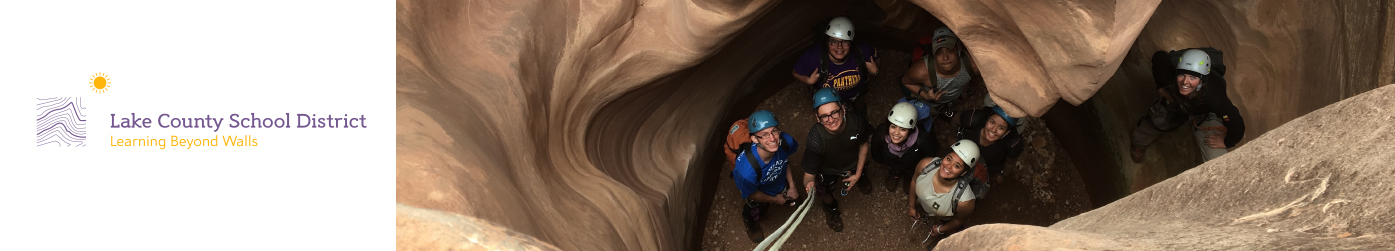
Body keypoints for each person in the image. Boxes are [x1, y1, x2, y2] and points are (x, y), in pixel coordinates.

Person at [1130, 48, 1246, 163]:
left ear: (1202, 80)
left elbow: (1235, 122)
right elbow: (1159, 57)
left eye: (1193, 77)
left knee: (1217, 160)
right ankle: (1139, 143)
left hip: (1204, 113)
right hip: (1177, 105)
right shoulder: (1168, 77)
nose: (1185, 82)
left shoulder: (1214, 96)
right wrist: (1162, 88)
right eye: (1182, 75)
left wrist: (1227, 142)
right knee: (1157, 120)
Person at [801, 88, 872, 232]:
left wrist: (857, 173)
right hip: (828, 171)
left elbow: (864, 145)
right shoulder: (816, 139)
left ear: (843, 109)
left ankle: (860, 176)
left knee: (859, 170)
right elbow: (809, 173)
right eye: (824, 116)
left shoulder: (856, 122)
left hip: (853, 162)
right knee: (825, 191)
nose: (831, 119)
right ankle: (831, 209)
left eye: (834, 112)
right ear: (817, 118)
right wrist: (809, 183)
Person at [731, 110, 801, 242]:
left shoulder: (785, 142)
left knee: (790, 193)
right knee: (757, 209)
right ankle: (750, 221)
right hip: (761, 191)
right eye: (764, 135)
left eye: (774, 131)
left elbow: (785, 162)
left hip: (779, 182)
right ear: (754, 139)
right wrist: (775, 200)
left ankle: (789, 195)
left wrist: (792, 186)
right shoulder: (746, 171)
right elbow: (750, 193)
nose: (773, 139)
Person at [792, 16, 879, 117]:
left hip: (856, 94)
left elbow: (876, 58)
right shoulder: (814, 57)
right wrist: (808, 81)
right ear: (827, 42)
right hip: (828, 101)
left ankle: (859, 113)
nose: (839, 47)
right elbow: (795, 72)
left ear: (851, 43)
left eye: (845, 41)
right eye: (834, 41)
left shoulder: (861, 50)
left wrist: (875, 71)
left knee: (859, 111)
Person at [908, 140, 980, 247]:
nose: (948, 166)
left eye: (957, 166)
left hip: (945, 218)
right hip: (929, 207)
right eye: (949, 159)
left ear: (964, 172)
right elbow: (914, 181)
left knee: (952, 234)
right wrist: (911, 206)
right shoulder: (926, 165)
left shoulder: (965, 201)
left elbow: (959, 220)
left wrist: (940, 229)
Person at [901, 27, 978, 120]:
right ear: (934, 55)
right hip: (929, 101)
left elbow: (978, 76)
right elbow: (906, 81)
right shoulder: (921, 71)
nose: (945, 57)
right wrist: (925, 95)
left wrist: (971, 90)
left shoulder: (973, 66)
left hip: (954, 97)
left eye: (950, 51)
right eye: (939, 52)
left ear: (958, 50)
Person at [870, 102, 939, 192]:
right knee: (894, 166)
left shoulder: (922, 139)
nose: (896, 133)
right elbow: (876, 152)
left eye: (903, 129)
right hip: (891, 162)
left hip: (911, 164)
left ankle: (909, 175)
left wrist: (919, 169)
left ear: (910, 130)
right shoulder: (881, 133)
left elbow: (929, 156)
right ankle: (895, 173)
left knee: (911, 169)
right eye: (893, 127)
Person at [954, 106, 1023, 183]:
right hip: (962, 153)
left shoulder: (1012, 143)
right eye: (992, 122)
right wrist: (952, 137)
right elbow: (956, 120)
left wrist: (1002, 175)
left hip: (988, 166)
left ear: (1007, 132)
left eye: (1001, 128)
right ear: (987, 120)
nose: (993, 130)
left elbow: (1010, 162)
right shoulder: (973, 119)